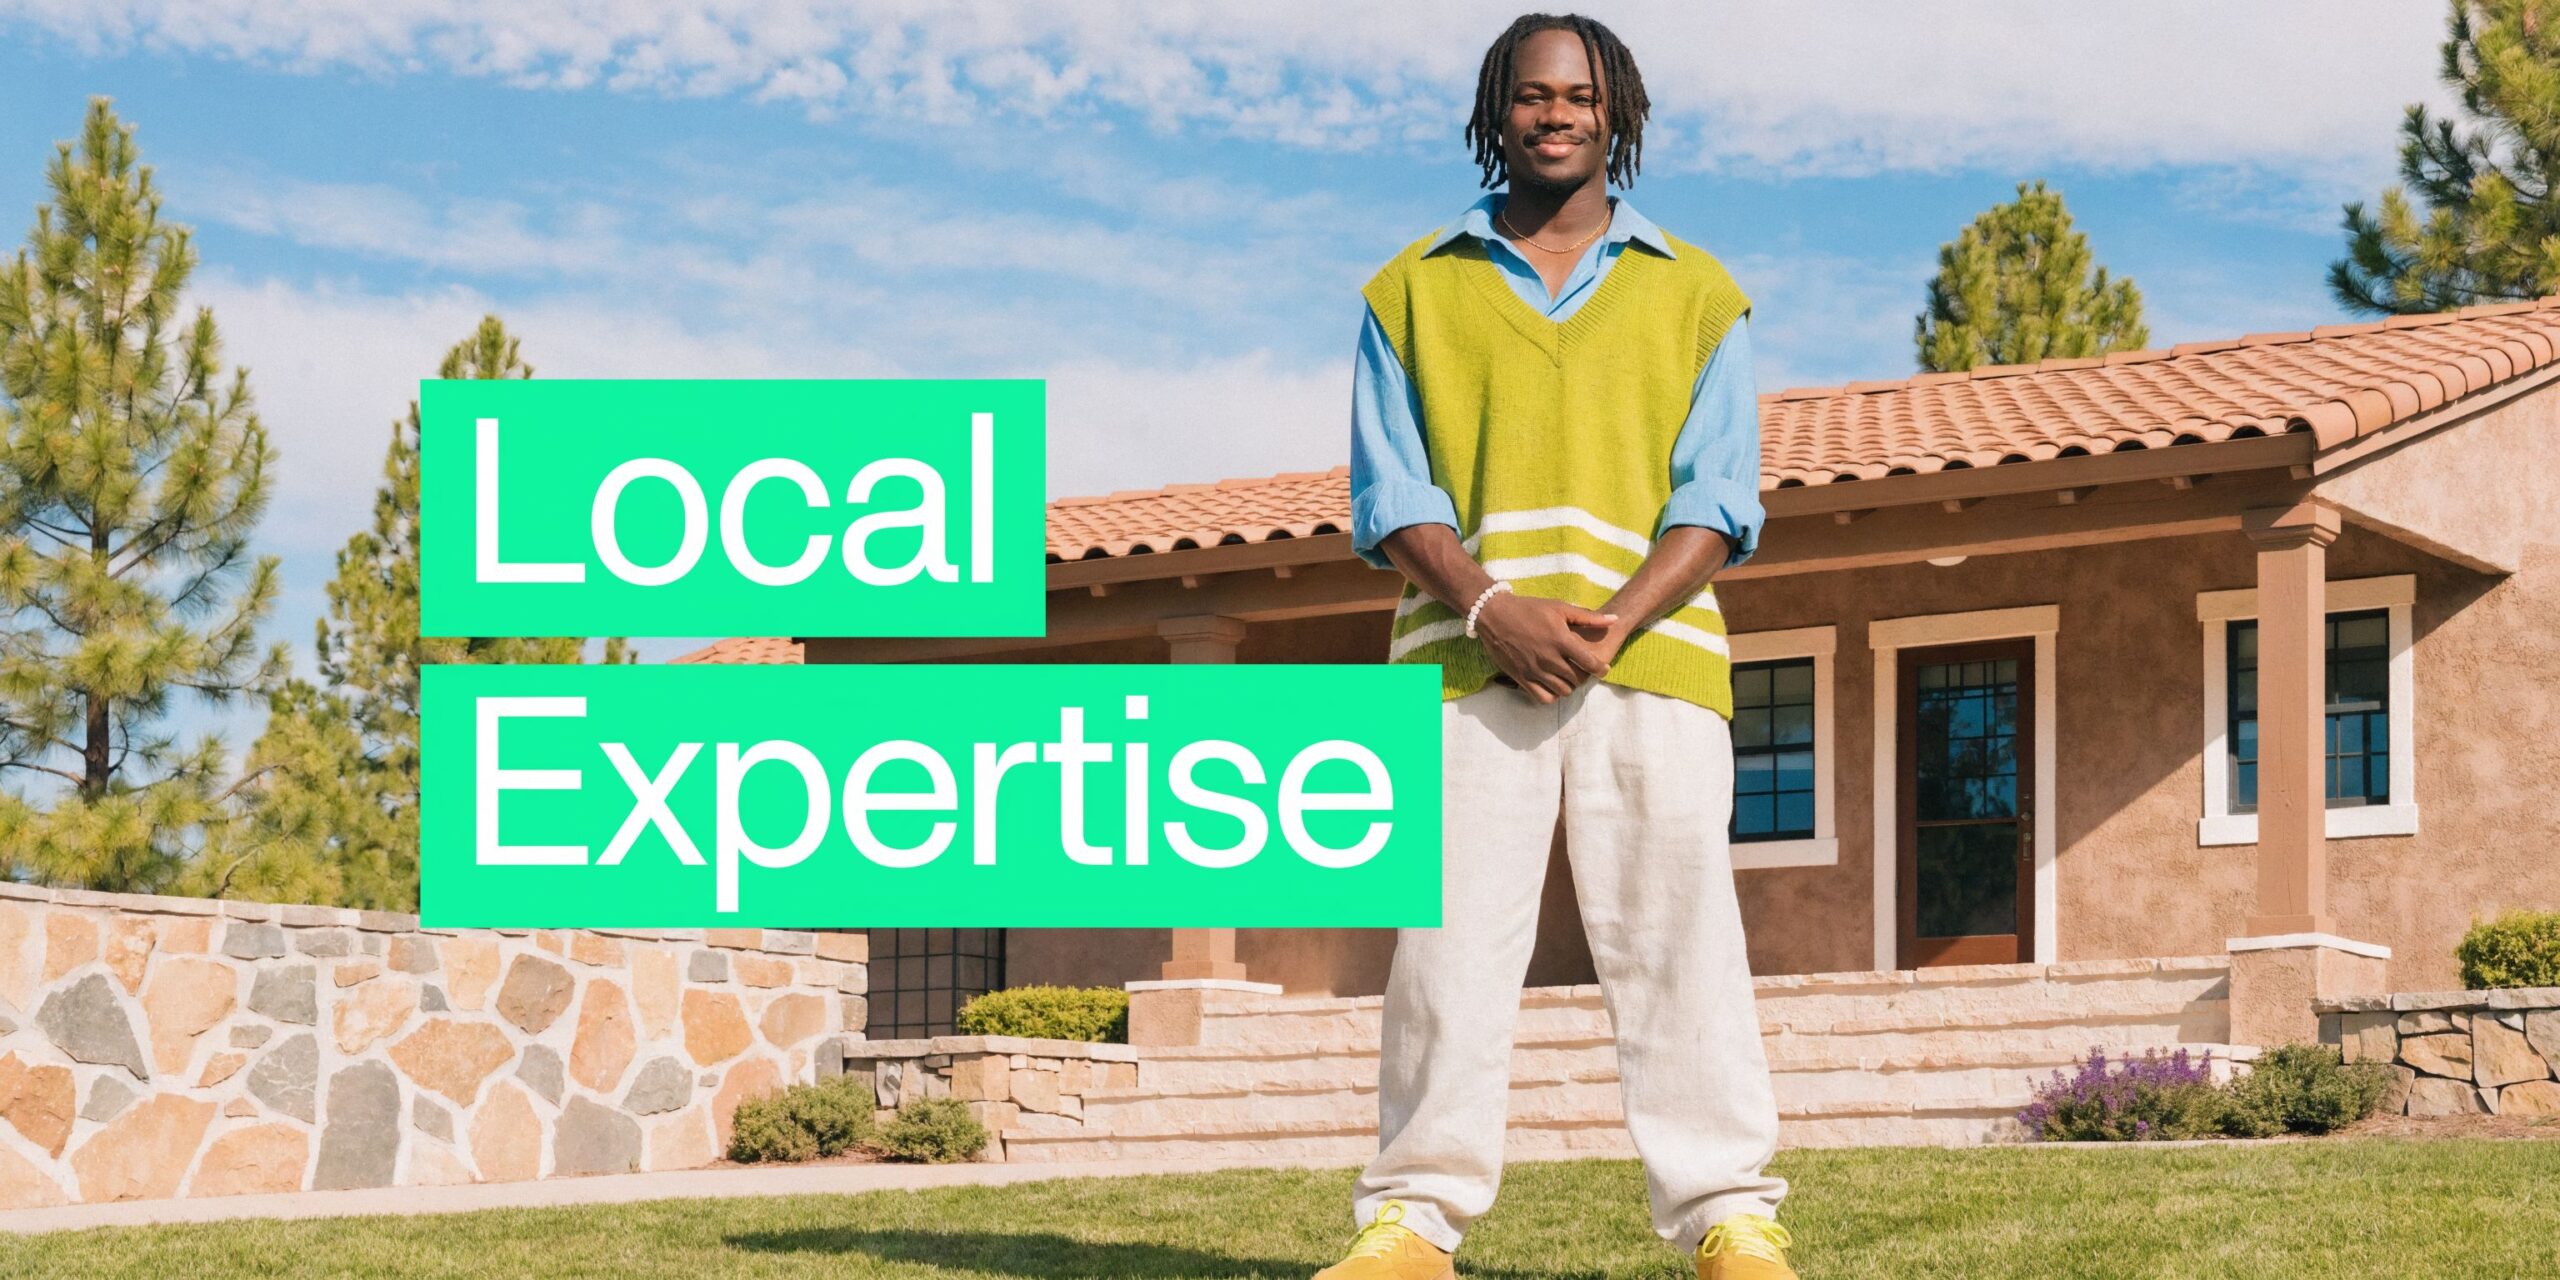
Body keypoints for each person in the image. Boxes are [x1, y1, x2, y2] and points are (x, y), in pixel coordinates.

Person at [1315, 13, 1794, 1280]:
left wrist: (1614, 622)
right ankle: (1411, 1219)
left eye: (1578, 94)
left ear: (1615, 111)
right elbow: (1390, 494)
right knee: (1447, 951)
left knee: (1681, 940)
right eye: (1530, 95)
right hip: (1464, 667)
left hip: (1654, 663)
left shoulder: (1698, 291)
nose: (1554, 113)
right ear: (1497, 111)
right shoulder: (1409, 288)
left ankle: (1728, 1217)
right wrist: (1493, 613)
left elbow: (1720, 496)